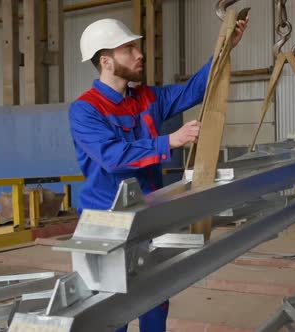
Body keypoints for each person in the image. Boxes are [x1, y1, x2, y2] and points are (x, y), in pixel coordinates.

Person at [69, 17, 248, 332]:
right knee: (111, 310)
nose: (139, 54)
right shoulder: (85, 110)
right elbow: (112, 157)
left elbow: (196, 89)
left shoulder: (148, 98)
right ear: (106, 61)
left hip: (149, 215)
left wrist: (224, 48)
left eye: (136, 47)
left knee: (155, 298)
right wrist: (170, 141)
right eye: (129, 49)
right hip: (104, 223)